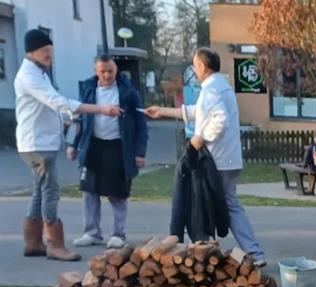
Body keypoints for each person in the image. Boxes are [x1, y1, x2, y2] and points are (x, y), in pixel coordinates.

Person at [145, 48, 266, 267]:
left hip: (217, 160)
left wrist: (200, 138)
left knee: (210, 204)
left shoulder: (212, 90)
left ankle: (245, 253)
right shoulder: (218, 87)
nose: (193, 69)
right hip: (227, 158)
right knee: (223, 204)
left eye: (194, 65)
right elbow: (199, 112)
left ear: (202, 66)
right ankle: (239, 252)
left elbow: (219, 120)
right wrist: (162, 111)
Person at [15, 29, 122, 261]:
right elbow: (57, 102)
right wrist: (100, 109)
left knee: (38, 192)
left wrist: (67, 121)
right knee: (50, 191)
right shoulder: (30, 76)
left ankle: (33, 243)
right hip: (37, 144)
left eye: (50, 51)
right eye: (45, 52)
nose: (48, 56)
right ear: (32, 51)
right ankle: (55, 245)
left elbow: (53, 107)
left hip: (41, 142)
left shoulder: (39, 73)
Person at [68, 55, 148, 249]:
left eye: (110, 71)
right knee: (90, 191)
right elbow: (79, 118)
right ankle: (91, 232)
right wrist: (72, 144)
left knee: (118, 193)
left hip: (118, 146)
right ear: (96, 71)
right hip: (93, 145)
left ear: (116, 70)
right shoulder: (88, 89)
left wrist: (139, 152)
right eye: (102, 71)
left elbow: (140, 124)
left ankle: (118, 234)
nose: (107, 75)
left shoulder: (128, 92)